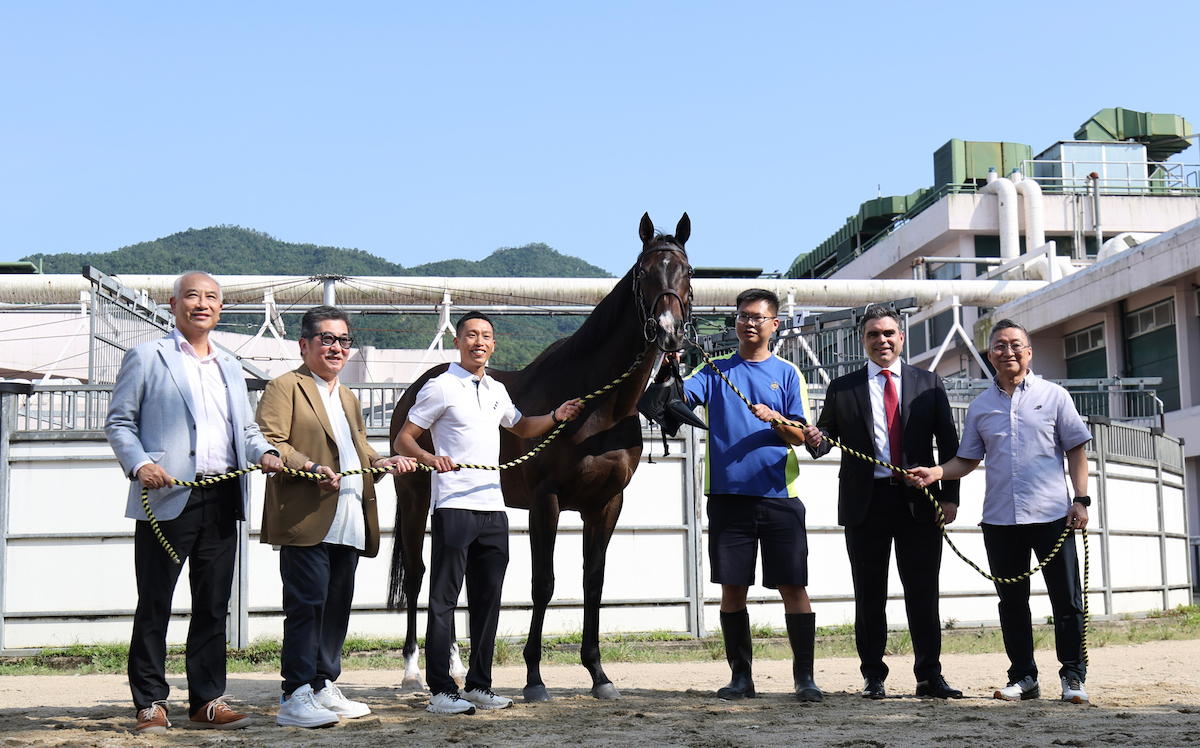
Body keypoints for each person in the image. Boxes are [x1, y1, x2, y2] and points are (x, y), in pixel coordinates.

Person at [105, 271, 285, 734]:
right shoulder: (147, 357)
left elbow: (244, 431)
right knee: (155, 602)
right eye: (192, 296)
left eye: (210, 298)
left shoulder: (228, 364)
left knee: (213, 602)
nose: (201, 304)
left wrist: (265, 453)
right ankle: (150, 702)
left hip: (223, 497)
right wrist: (140, 464)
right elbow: (120, 423)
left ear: (220, 309)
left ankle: (206, 700)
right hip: (166, 495)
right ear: (174, 303)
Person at [395, 311, 583, 715]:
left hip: (492, 508)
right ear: (458, 341)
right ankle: (442, 690)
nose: (479, 342)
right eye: (471, 335)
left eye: (486, 336)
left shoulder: (496, 389)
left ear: (493, 345)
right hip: (454, 505)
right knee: (444, 599)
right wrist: (430, 458)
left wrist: (555, 417)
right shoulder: (440, 387)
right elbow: (403, 438)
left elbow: (519, 427)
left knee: (488, 599)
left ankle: (480, 683)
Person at [909, 319, 1091, 704]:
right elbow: (967, 460)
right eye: (999, 346)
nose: (1007, 351)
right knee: (1011, 602)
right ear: (989, 355)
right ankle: (1024, 676)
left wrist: (1081, 499)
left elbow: (1076, 449)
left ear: (1028, 351)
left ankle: (1073, 676)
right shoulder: (981, 406)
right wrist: (936, 473)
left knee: (1067, 600)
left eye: (1015, 344)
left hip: (1053, 517)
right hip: (999, 521)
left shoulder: (1055, 396)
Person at [256, 306, 419, 727]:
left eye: (344, 340)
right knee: (306, 605)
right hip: (306, 515)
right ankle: (294, 694)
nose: (336, 348)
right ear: (304, 344)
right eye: (327, 339)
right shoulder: (284, 386)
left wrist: (383, 461)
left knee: (336, 606)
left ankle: (324, 684)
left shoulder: (346, 395)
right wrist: (308, 468)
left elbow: (358, 449)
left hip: (350, 514)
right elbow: (271, 441)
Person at [801, 305, 962, 700]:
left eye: (889, 332)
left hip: (920, 503)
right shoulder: (843, 388)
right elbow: (824, 439)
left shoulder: (930, 383)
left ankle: (929, 675)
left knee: (923, 592)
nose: (882, 340)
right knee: (869, 594)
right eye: (873, 334)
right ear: (863, 340)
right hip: (865, 505)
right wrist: (811, 436)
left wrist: (950, 499)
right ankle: (873, 675)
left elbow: (950, 444)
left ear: (901, 337)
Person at [680, 288, 821, 702]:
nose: (749, 322)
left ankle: (805, 679)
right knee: (732, 589)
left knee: (794, 586)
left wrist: (775, 417)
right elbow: (678, 398)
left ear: (774, 325)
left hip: (780, 495)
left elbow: (801, 438)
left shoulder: (789, 374)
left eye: (759, 317)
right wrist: (669, 365)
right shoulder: (711, 371)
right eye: (743, 316)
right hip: (727, 496)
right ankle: (741, 678)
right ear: (735, 323)